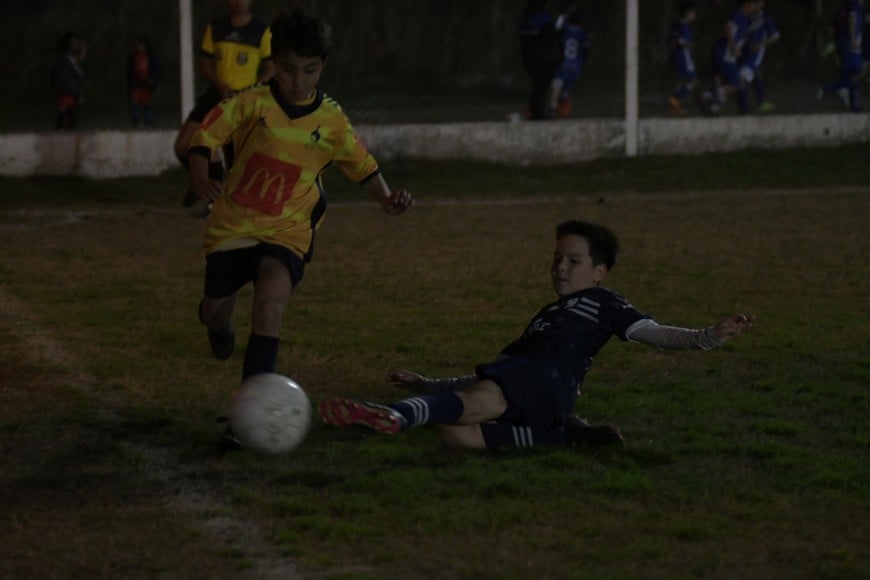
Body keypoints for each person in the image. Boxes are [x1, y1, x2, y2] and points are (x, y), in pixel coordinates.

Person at [319, 220, 754, 452]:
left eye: (574, 260)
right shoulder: (546, 316)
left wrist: (708, 336)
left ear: (599, 273)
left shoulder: (604, 303)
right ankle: (563, 437)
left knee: (476, 403)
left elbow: (654, 334)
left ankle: (395, 416)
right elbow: (494, 378)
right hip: (543, 398)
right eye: (557, 258)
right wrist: (428, 383)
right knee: (456, 434)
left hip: (547, 383)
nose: (561, 267)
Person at [186, 10, 413, 446]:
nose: (297, 79)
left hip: (288, 231)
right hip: (234, 226)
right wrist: (200, 177)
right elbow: (204, 138)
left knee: (270, 303)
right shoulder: (252, 103)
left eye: (309, 70)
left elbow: (362, 166)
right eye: (289, 69)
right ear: (274, 64)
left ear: (322, 67)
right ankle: (216, 323)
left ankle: (245, 415)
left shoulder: (330, 119)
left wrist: (386, 198)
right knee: (216, 310)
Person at [177, 0, 275, 208]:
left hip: (243, 99)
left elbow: (271, 67)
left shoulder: (261, 31)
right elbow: (204, 63)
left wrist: (255, 89)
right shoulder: (216, 28)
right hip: (218, 93)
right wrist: (219, 84)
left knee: (237, 161)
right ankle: (205, 182)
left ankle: (226, 205)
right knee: (183, 144)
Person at [700, 0, 761, 115]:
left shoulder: (745, 18)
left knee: (719, 79)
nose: (754, 8)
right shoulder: (739, 15)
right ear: (746, 4)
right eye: (753, 5)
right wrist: (734, 47)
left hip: (722, 51)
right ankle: (707, 96)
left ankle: (711, 107)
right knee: (737, 84)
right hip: (726, 53)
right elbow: (728, 28)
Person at [817, 0, 864, 112]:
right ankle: (836, 90)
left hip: (842, 44)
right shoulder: (854, 6)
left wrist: (837, 42)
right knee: (855, 72)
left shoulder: (841, 8)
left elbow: (831, 29)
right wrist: (852, 38)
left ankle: (849, 100)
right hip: (851, 44)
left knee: (851, 72)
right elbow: (852, 19)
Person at [518, 0, 562, 120]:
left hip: (528, 57)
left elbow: (524, 40)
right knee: (541, 86)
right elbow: (550, 38)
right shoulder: (544, 20)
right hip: (542, 57)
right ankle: (538, 112)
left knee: (537, 85)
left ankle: (536, 110)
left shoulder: (525, 21)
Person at [545, 5, 590, 119]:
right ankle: (564, 108)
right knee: (564, 88)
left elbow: (557, 26)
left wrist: (563, 15)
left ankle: (553, 107)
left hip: (564, 63)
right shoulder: (583, 34)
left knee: (557, 84)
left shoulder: (566, 29)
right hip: (576, 66)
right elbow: (585, 51)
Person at [740, 0, 780, 113]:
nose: (757, 5)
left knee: (742, 79)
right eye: (755, 2)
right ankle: (760, 103)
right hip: (743, 53)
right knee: (757, 75)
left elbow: (775, 36)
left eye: (759, 3)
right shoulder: (747, 16)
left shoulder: (765, 18)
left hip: (755, 56)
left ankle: (744, 109)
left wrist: (761, 44)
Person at [50, 32, 86, 131]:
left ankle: (63, 127)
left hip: (69, 90)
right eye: (74, 43)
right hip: (66, 90)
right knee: (66, 110)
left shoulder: (68, 59)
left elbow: (79, 63)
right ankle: (62, 127)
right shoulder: (63, 60)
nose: (76, 46)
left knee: (67, 110)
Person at [668, 1, 697, 117]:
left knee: (681, 80)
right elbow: (679, 40)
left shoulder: (678, 25)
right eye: (693, 12)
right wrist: (689, 44)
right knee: (692, 80)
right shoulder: (683, 26)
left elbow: (673, 39)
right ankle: (675, 99)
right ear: (687, 13)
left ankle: (675, 107)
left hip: (678, 56)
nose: (694, 15)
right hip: (683, 56)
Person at [127, 35, 161, 128]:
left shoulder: (150, 57)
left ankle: (149, 122)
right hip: (136, 84)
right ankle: (136, 121)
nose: (139, 47)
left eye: (141, 45)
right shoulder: (133, 57)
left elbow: (156, 70)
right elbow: (129, 71)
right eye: (138, 45)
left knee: (146, 104)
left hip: (146, 84)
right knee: (136, 103)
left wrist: (153, 80)